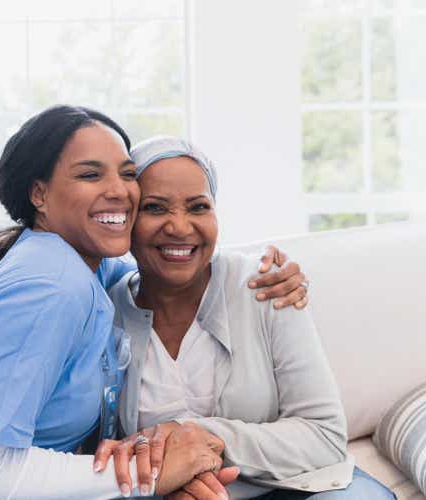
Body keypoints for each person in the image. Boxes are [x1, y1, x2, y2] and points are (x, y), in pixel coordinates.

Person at [0, 106, 307, 500]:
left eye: (127, 174)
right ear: (40, 195)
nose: (119, 191)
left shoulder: (83, 264)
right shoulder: (51, 284)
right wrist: (147, 475)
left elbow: (159, 262)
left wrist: (253, 272)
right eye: (91, 175)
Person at [97, 136, 396, 500]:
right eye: (156, 208)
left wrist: (202, 436)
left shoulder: (266, 286)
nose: (179, 226)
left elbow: (324, 436)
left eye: (198, 207)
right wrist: (170, 480)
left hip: (296, 487)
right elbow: (99, 449)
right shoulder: (105, 312)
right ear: (126, 219)